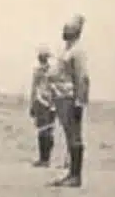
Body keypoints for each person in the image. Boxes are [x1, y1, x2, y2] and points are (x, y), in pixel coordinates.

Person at [48, 15, 90, 188]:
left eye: (69, 28)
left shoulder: (77, 52)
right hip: (60, 97)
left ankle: (75, 175)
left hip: (70, 97)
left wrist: (80, 101)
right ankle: (71, 173)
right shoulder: (67, 50)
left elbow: (82, 77)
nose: (64, 31)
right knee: (68, 135)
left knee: (74, 135)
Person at [29, 46, 57, 167]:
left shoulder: (41, 71)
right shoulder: (53, 71)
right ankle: (45, 158)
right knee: (47, 131)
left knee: (44, 131)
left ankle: (44, 159)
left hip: (43, 102)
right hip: (50, 103)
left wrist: (32, 105)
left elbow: (34, 88)